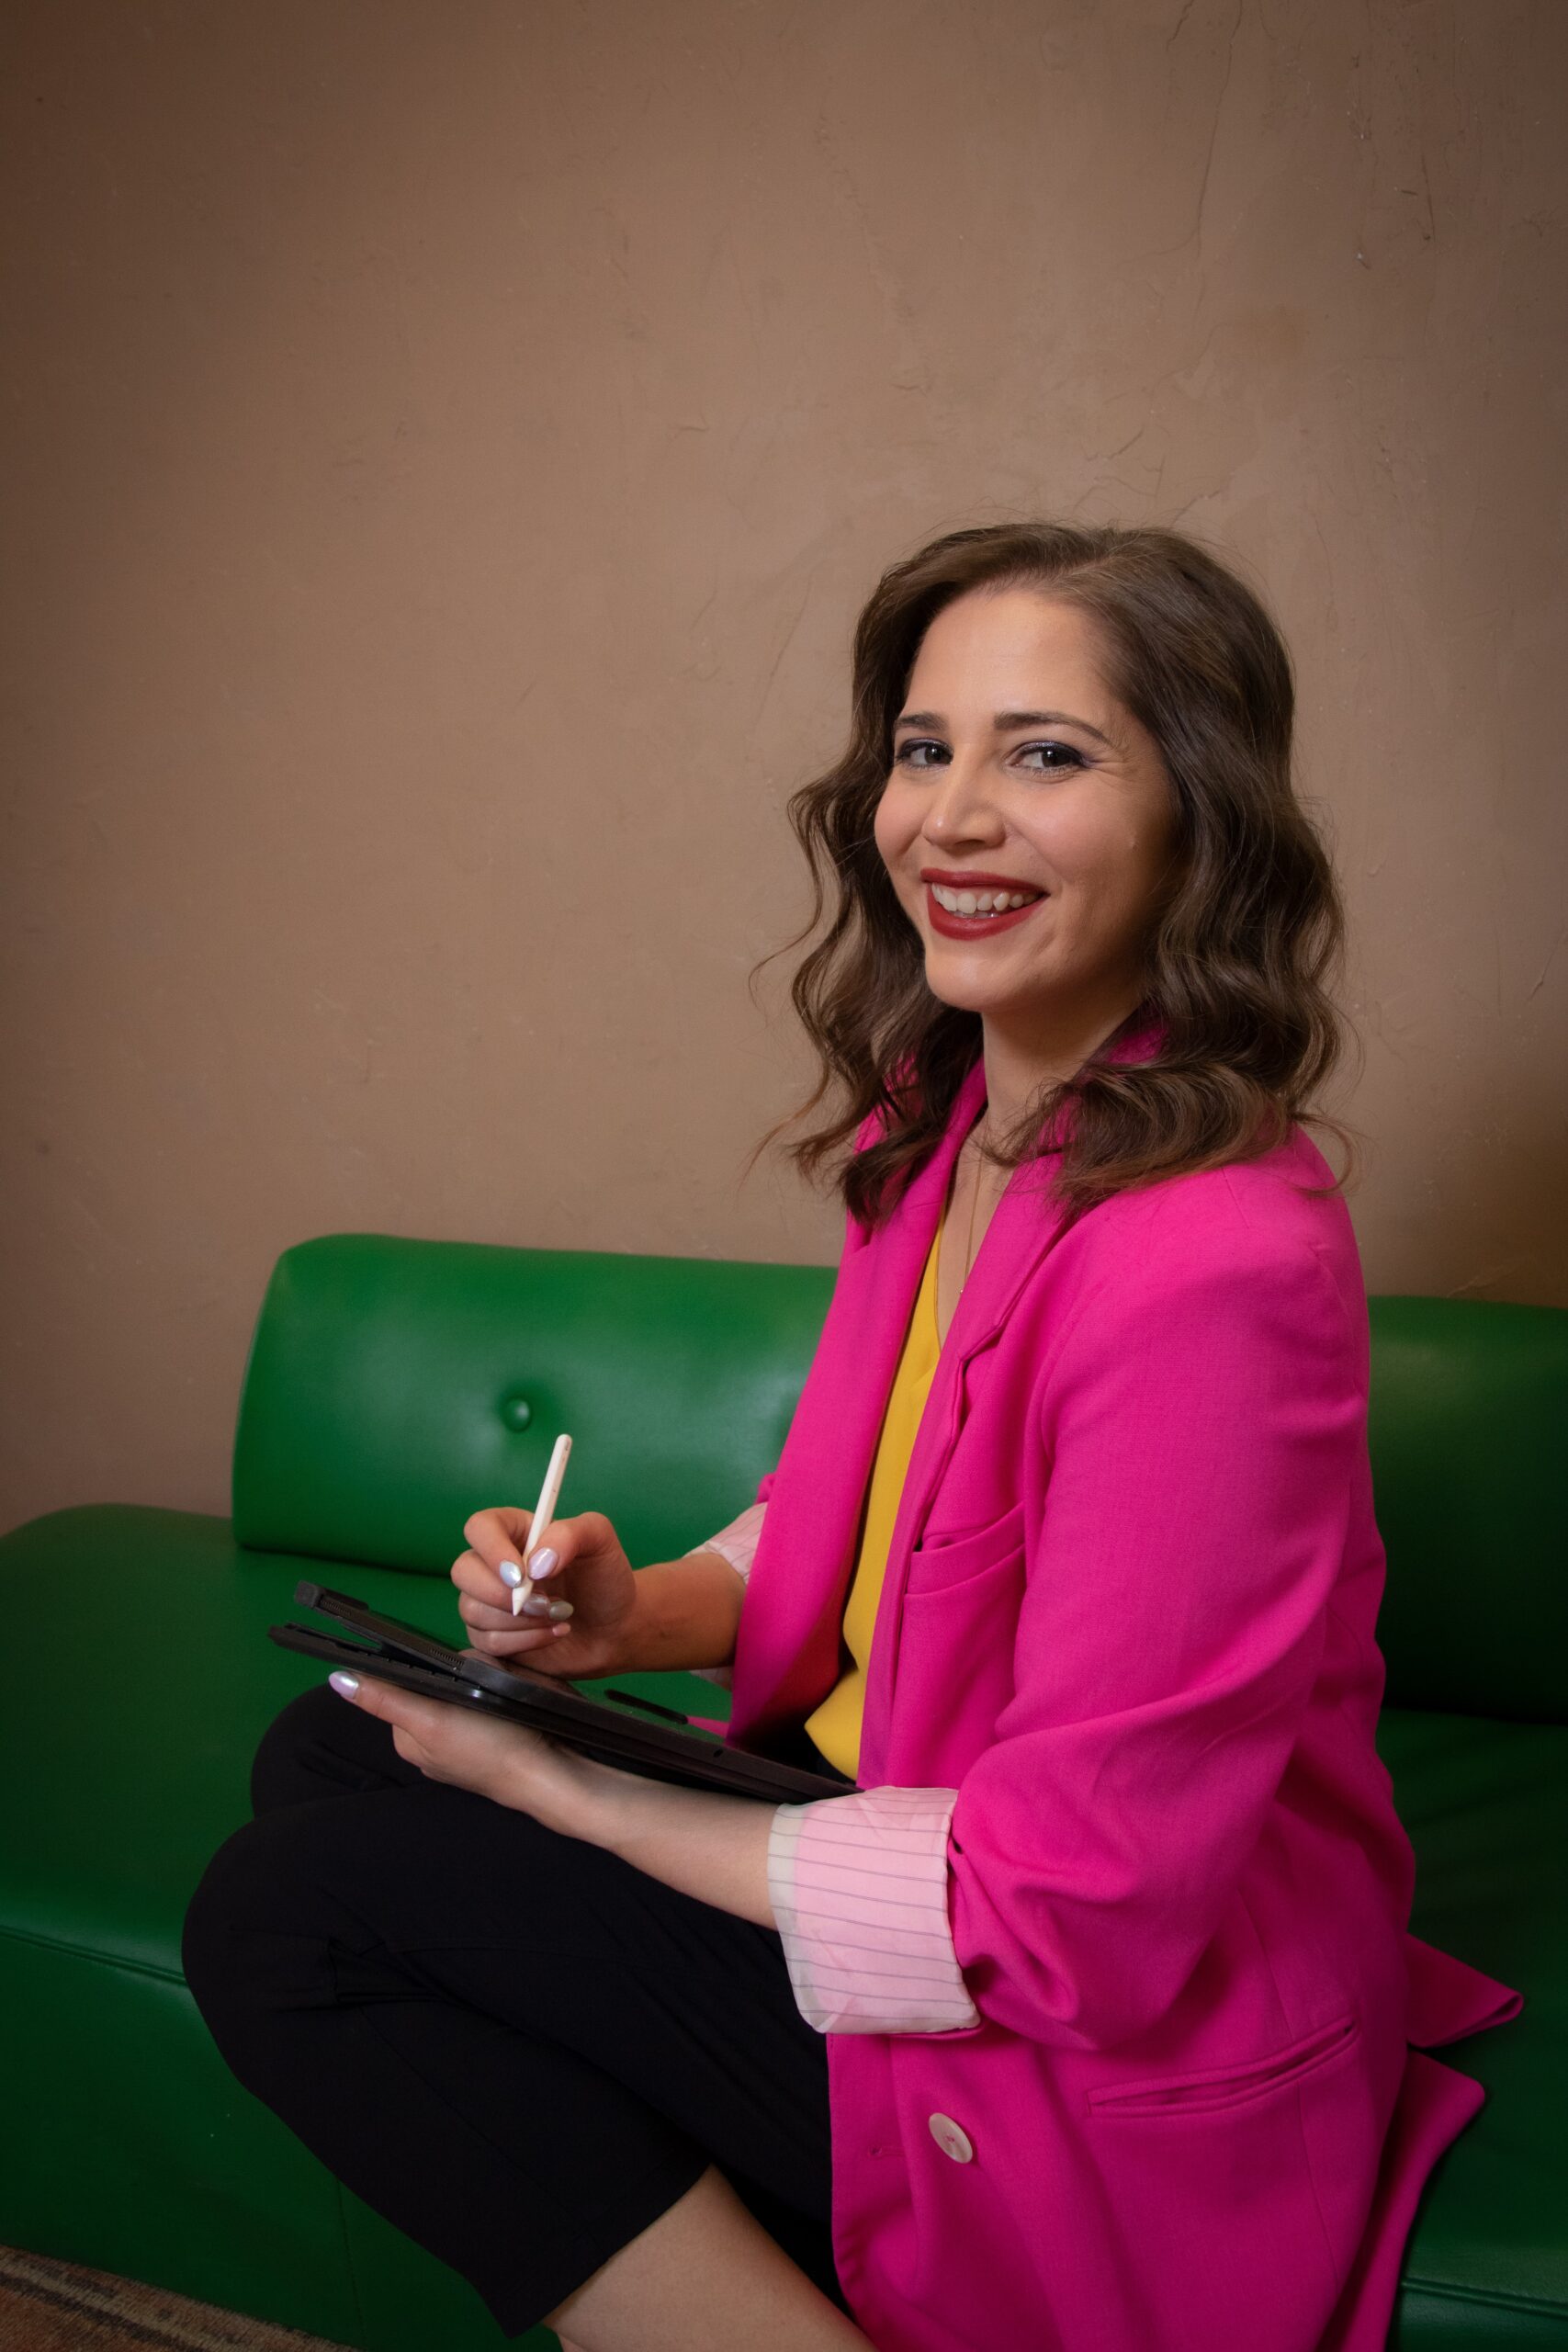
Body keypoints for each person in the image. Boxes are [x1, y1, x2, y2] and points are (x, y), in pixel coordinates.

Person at [182, 520, 1523, 2352]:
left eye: (1043, 753)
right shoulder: (948, 1115)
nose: (949, 815)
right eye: (922, 747)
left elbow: (1068, 1911)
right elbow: (903, 1504)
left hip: (1067, 2002)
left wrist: (580, 1785)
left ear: (1197, 821)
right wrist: (630, 1612)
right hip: (889, 1814)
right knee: (332, 1751)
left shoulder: (1216, 1264)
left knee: (292, 1914)